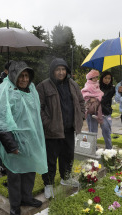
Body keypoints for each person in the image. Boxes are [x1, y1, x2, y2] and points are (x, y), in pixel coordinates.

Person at [0, 61, 47, 215]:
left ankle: (26, 198)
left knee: (29, 171)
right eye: (20, 75)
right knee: (14, 174)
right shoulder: (3, 91)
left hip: (30, 139)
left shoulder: (31, 90)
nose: (24, 79)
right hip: (13, 141)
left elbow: (35, 114)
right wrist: (11, 145)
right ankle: (15, 205)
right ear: (13, 75)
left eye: (26, 75)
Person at [36, 58, 85, 199]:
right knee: (50, 159)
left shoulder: (73, 84)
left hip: (69, 129)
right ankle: (49, 184)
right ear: (52, 71)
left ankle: (66, 177)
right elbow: (39, 108)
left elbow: (81, 102)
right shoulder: (44, 86)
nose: (61, 72)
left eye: (63, 69)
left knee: (68, 155)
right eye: (58, 69)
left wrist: (80, 116)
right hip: (52, 131)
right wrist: (48, 123)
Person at [99, 71, 116, 149]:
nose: (107, 80)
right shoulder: (97, 87)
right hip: (95, 112)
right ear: (102, 78)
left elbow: (104, 99)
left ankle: (109, 150)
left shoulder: (112, 89)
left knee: (106, 132)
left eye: (109, 78)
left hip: (105, 113)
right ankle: (93, 149)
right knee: (92, 132)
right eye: (105, 78)